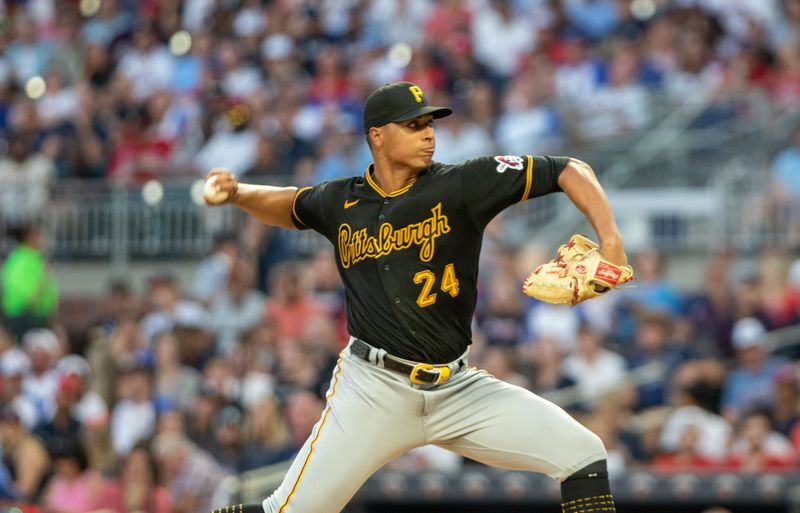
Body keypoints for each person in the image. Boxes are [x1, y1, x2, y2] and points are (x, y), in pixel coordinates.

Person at [206, 81, 630, 513]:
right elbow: (291, 205)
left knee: (583, 454)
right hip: (374, 389)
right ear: (377, 136)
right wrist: (239, 193)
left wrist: (611, 243)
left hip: (458, 388)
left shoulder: (462, 183)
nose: (428, 134)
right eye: (413, 125)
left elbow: (569, 168)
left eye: (429, 124)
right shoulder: (342, 200)